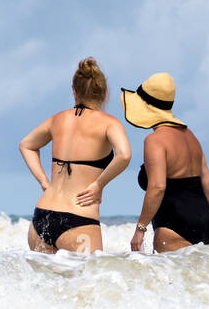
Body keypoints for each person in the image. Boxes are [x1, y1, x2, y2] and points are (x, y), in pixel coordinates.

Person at [19, 58, 131, 253]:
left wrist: (44, 182)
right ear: (104, 93)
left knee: (44, 283)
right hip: (78, 220)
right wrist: (99, 184)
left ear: (74, 91)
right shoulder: (109, 123)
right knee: (90, 283)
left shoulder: (57, 119)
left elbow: (26, 145)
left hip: (42, 218)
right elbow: (124, 155)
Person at [120, 72, 209, 253]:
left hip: (175, 224)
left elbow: (157, 187)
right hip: (207, 221)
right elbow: (208, 183)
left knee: (168, 281)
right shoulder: (192, 137)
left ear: (145, 107)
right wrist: (198, 215)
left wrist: (140, 229)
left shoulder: (155, 140)